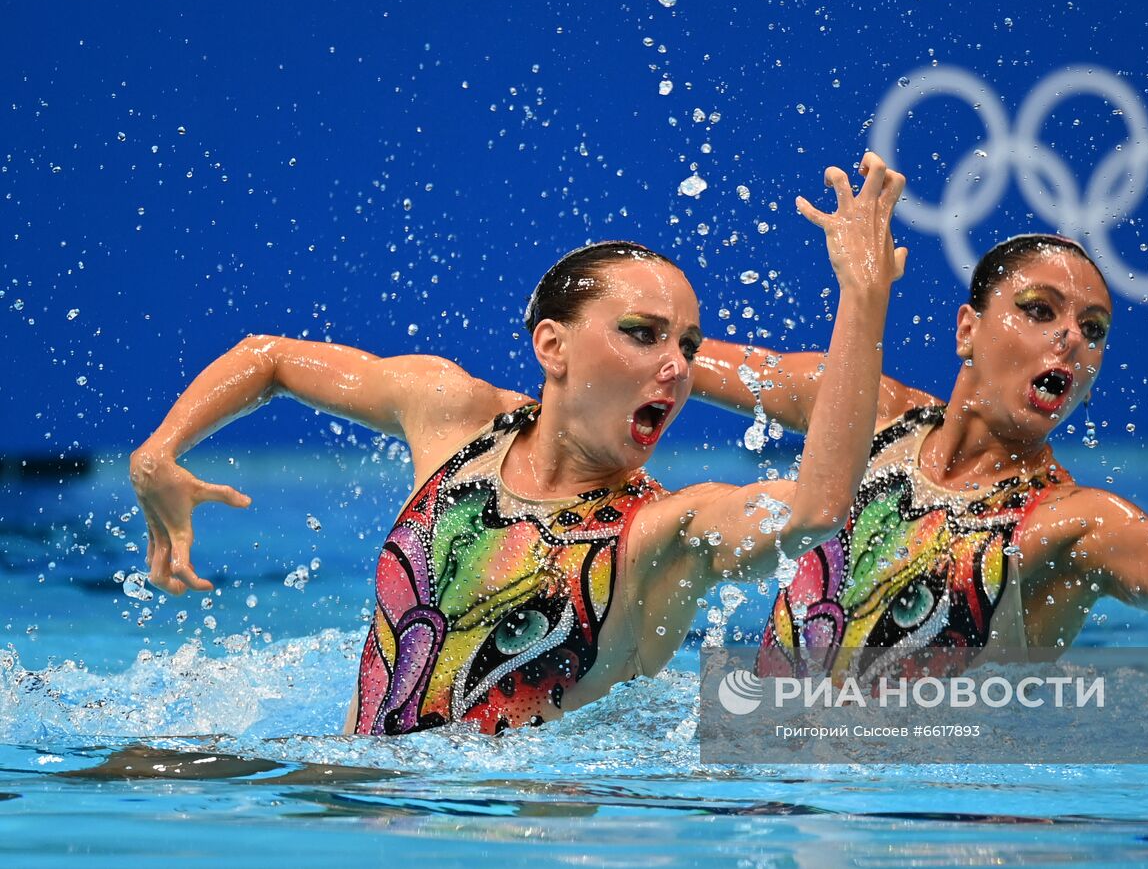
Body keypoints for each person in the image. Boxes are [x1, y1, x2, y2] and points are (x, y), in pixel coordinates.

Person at [128, 153, 908, 734]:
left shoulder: (660, 536)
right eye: (641, 334)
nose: (676, 365)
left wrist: (862, 297)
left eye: (689, 345)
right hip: (366, 806)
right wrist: (157, 453)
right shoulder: (454, 418)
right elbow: (270, 359)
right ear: (552, 345)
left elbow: (815, 506)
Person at [692, 229, 1148, 681]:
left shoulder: (1068, 523)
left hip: (935, 814)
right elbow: (679, 363)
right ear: (967, 329)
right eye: (1041, 310)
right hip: (781, 788)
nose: (1070, 338)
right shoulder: (871, 416)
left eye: (1093, 329)